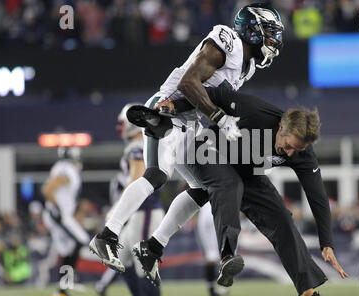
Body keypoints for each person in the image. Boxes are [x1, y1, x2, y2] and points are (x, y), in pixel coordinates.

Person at [89, 3, 285, 278]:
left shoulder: (246, 67)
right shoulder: (226, 41)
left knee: (203, 187)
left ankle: (153, 247)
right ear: (252, 31)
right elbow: (188, 84)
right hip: (166, 110)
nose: (275, 40)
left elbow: (217, 100)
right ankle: (106, 235)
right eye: (270, 32)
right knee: (157, 175)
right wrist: (219, 118)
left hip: (190, 122)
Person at [132, 86, 348, 296]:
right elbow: (214, 94)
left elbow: (317, 196)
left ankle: (307, 294)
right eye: (289, 146)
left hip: (248, 171)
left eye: (297, 150)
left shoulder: (302, 152)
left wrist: (326, 242)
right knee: (228, 184)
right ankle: (227, 255)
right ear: (281, 127)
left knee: (283, 220)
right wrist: (175, 105)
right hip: (210, 151)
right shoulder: (254, 111)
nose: (291, 153)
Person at [93, 105, 164, 296]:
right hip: (139, 213)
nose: (121, 127)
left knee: (144, 265)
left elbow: (137, 179)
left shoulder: (137, 146)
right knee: (123, 260)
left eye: (123, 123)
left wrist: (117, 210)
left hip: (145, 210)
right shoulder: (146, 142)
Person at [41, 146, 90, 296]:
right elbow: (47, 189)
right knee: (81, 240)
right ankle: (67, 283)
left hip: (60, 215)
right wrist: (58, 209)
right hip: (58, 216)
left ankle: (62, 292)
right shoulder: (65, 168)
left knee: (67, 251)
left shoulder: (63, 168)